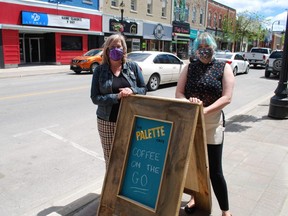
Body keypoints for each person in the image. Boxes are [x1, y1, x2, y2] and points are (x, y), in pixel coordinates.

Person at [175, 32, 234, 216]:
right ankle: (195, 198)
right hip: (192, 121)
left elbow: (227, 97)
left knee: (215, 170)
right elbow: (179, 93)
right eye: (199, 48)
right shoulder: (189, 67)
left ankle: (225, 211)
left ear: (213, 47)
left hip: (211, 123)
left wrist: (205, 111)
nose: (203, 51)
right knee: (193, 166)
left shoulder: (223, 67)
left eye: (207, 47)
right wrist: (190, 103)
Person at [90, 33, 147, 169]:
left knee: (129, 156)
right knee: (111, 159)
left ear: (124, 49)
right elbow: (95, 98)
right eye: (112, 47)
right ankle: (112, 189)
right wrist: (116, 97)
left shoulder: (132, 67)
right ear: (107, 51)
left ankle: (126, 189)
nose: (115, 49)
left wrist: (132, 90)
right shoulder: (99, 71)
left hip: (131, 120)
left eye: (118, 46)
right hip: (107, 121)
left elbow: (143, 89)